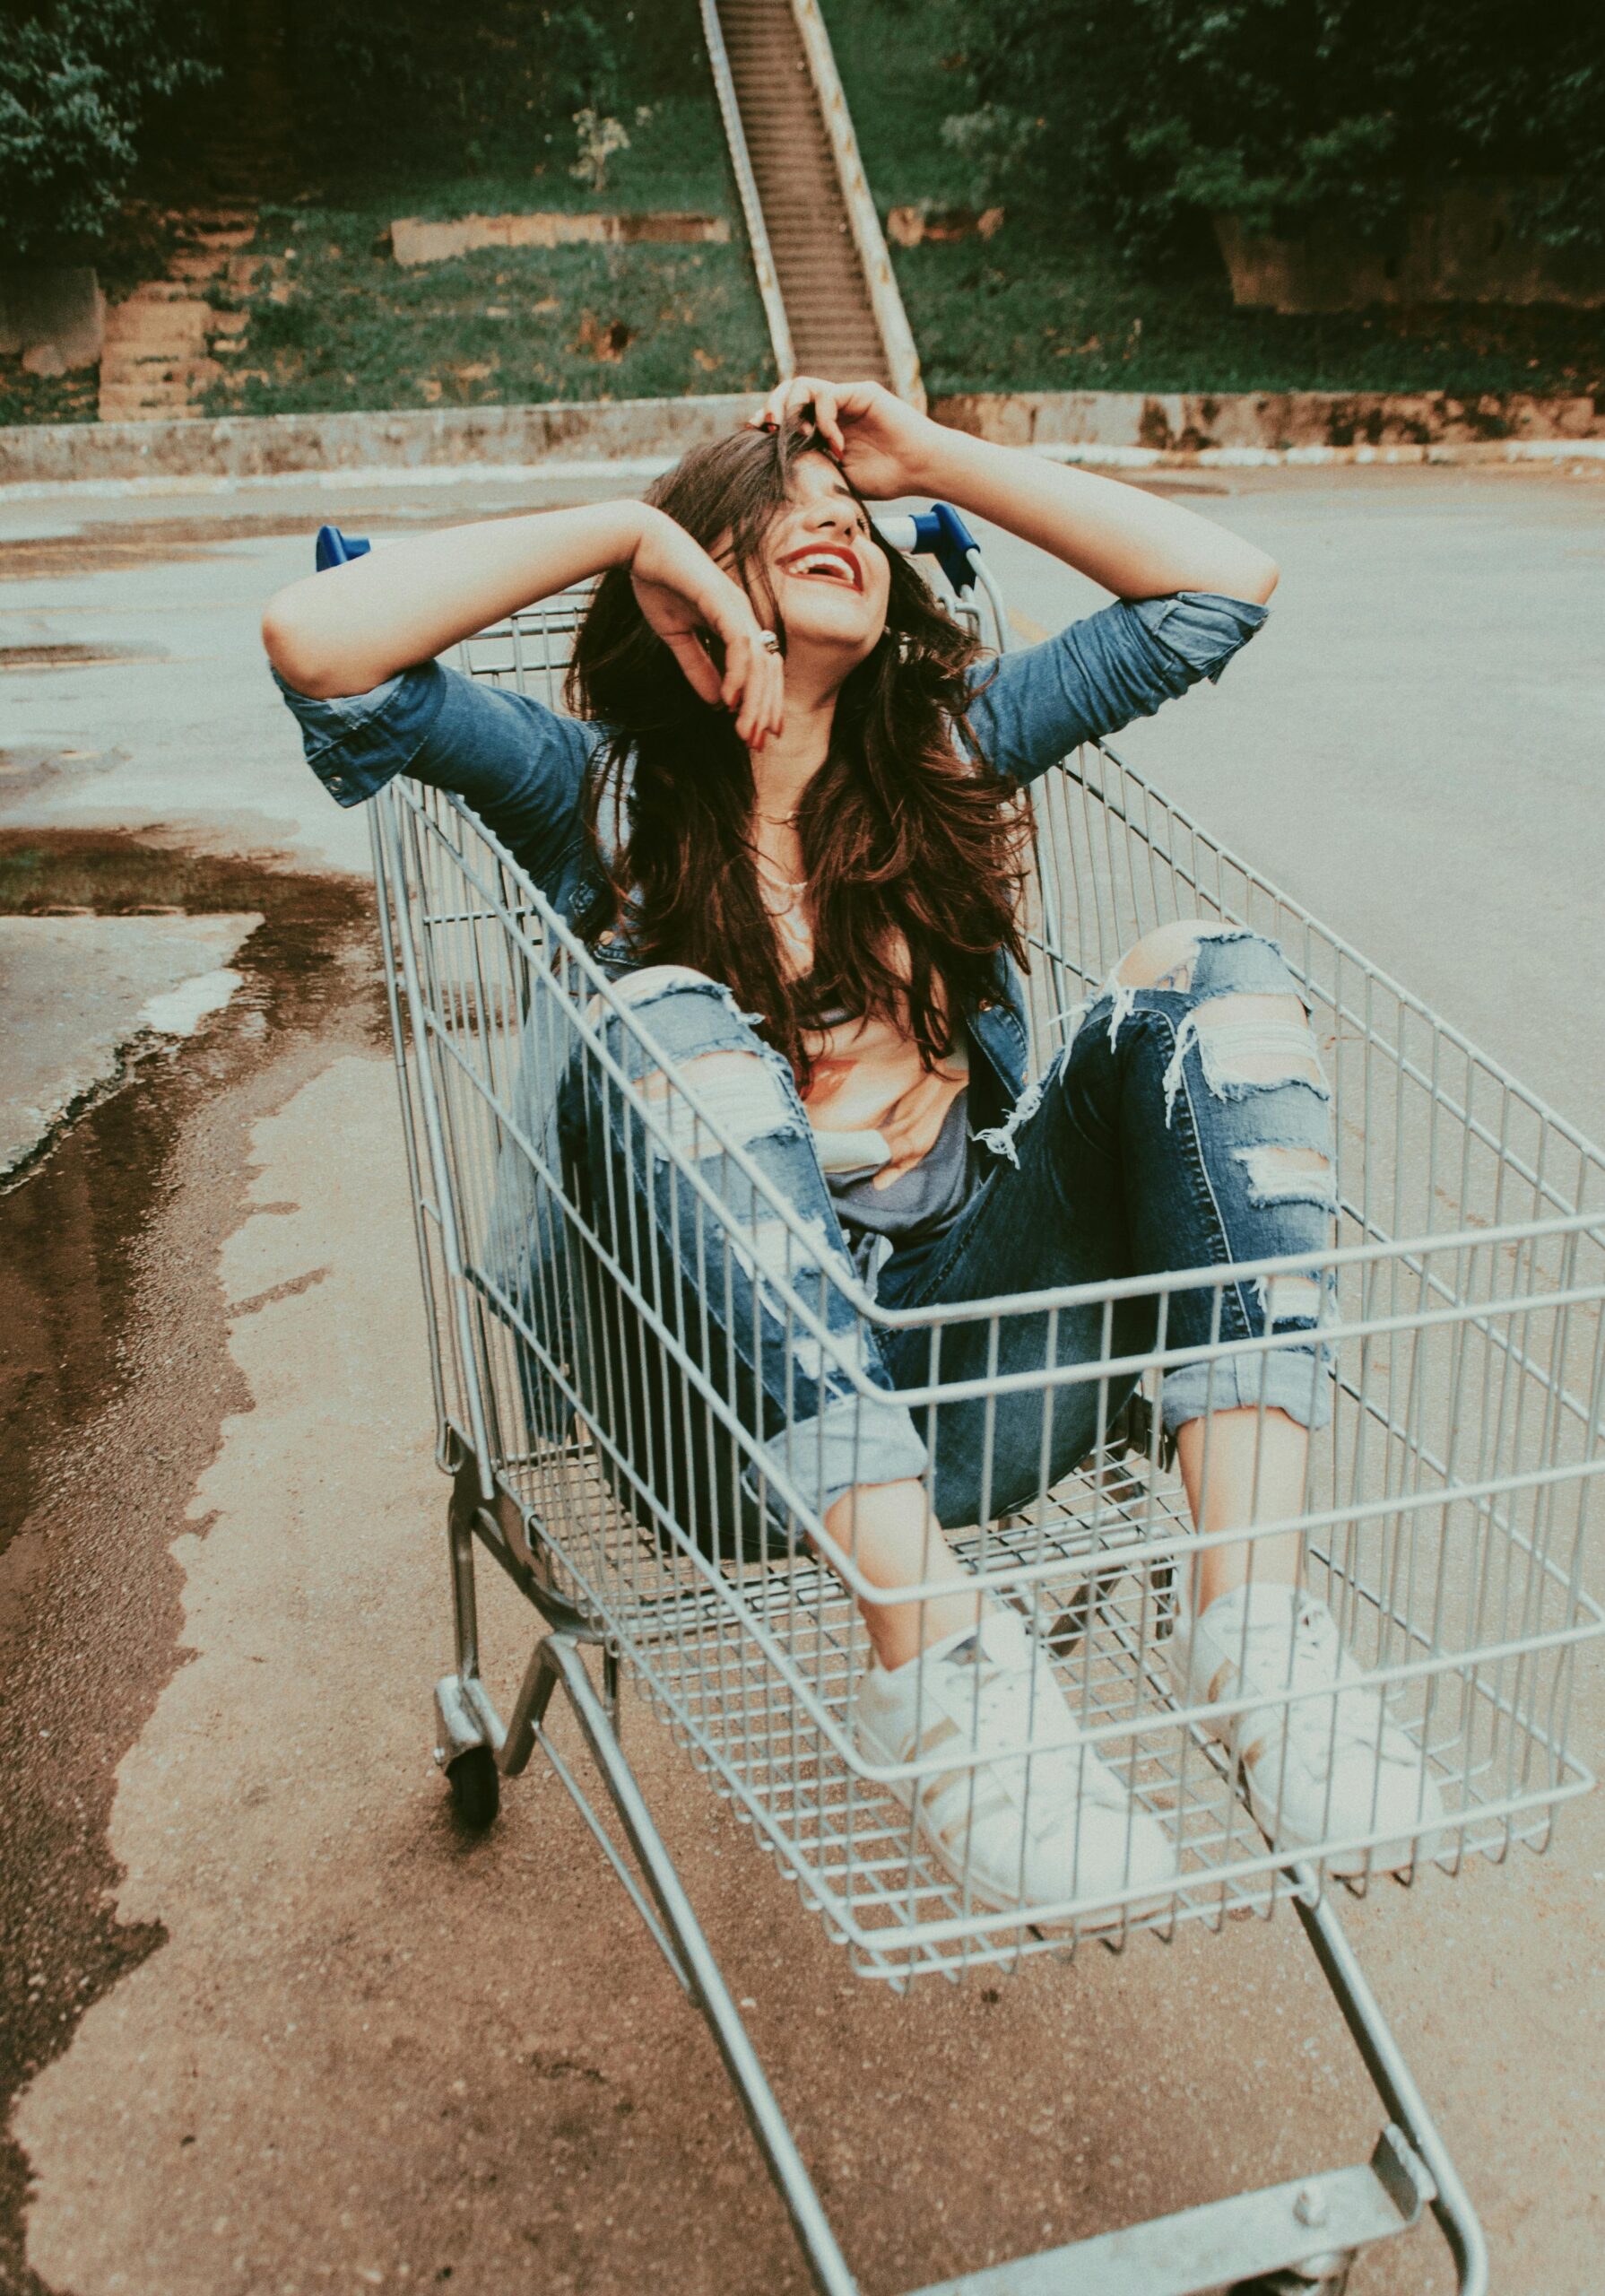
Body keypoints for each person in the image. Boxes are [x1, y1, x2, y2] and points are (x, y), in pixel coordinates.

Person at [263, 378, 1444, 1921]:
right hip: (729, 1431)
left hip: (984, 1372)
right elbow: (320, 649)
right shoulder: (587, 795)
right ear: (690, 582)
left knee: (1208, 972)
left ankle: (1259, 1642)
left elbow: (1217, 592)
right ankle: (944, 1681)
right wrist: (627, 529)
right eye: (775, 516)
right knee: (664, 1014)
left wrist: (932, 456)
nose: (834, 520)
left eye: (855, 520)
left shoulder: (946, 752)